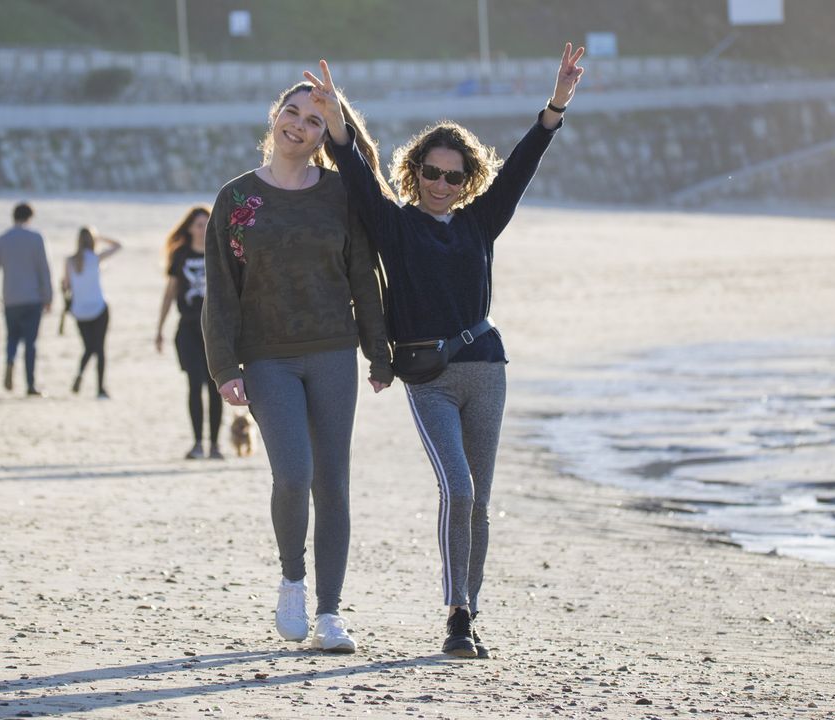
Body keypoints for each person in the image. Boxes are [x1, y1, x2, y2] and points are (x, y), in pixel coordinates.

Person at [307, 44, 585, 659]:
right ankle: (454, 609)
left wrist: (555, 105)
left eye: (453, 175)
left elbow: (521, 168)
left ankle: (466, 615)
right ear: (415, 174)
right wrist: (335, 119)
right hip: (428, 376)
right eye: (430, 173)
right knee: (456, 490)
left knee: (479, 500)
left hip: (486, 369)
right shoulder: (393, 224)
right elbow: (352, 168)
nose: (440, 183)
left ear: (467, 181)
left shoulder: (480, 222)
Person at [202, 80, 393, 653]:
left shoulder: (341, 194)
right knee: (293, 475)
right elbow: (221, 290)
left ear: (324, 134)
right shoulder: (235, 200)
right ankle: (293, 579)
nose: (300, 126)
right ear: (275, 116)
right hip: (267, 359)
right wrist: (223, 366)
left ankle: (331, 613)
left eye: (315, 120)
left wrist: (379, 352)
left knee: (333, 482)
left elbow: (365, 275)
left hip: (334, 349)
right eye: (293, 112)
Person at [154, 206, 223, 460]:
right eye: (198, 224)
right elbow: (170, 292)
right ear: (189, 227)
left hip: (215, 329)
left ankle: (215, 445)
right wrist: (159, 328)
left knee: (217, 386)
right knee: (195, 384)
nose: (202, 228)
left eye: (206, 224)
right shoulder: (180, 255)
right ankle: (197, 444)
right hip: (188, 329)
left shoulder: (219, 252)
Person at [0, 202, 53, 396]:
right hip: (32, 299)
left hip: (10, 298)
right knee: (30, 343)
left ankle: (10, 361)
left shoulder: (2, 239)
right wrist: (49, 296)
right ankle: (30, 384)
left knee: (12, 338)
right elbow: (44, 269)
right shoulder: (36, 238)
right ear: (30, 217)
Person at [63, 227, 120, 400]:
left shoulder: (70, 261)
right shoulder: (95, 258)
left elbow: (66, 286)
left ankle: (80, 373)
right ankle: (101, 388)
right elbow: (118, 246)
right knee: (100, 348)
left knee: (89, 347)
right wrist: (101, 237)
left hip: (79, 311)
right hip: (99, 308)